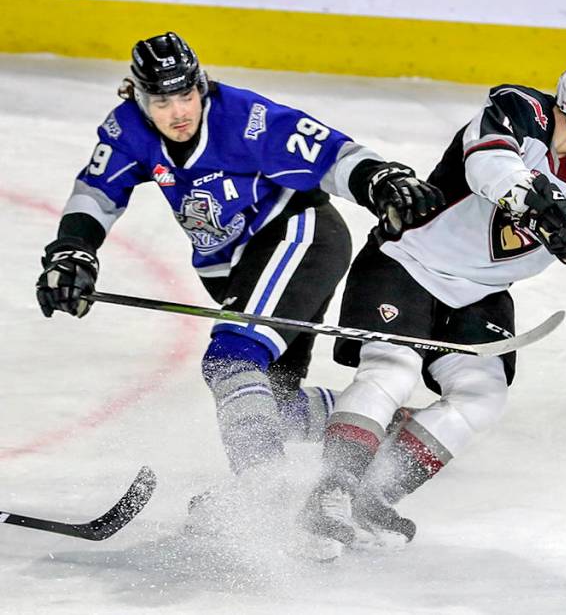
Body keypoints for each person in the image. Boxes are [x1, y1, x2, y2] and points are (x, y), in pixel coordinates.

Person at [300, 56, 566, 550]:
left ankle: (372, 496)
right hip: (406, 263)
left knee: (482, 395)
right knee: (391, 370)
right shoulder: (515, 111)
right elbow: (488, 165)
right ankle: (330, 493)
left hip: (481, 294)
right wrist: (544, 205)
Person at [35, 32, 444, 477]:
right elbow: (96, 191)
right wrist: (73, 252)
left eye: (186, 95)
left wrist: (380, 180)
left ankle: (259, 494)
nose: (178, 112)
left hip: (297, 237)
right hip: (241, 266)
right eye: (162, 102)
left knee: (232, 359)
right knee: (269, 400)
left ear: (200, 84)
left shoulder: (244, 118)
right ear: (137, 97)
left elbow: (328, 152)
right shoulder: (128, 130)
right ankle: (388, 427)